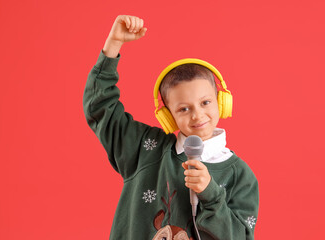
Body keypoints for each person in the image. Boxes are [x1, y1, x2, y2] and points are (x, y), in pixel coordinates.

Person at [83, 14, 259, 240]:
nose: (197, 115)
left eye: (205, 102)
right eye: (184, 109)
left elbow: (241, 236)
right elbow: (100, 107)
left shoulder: (240, 176)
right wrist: (113, 44)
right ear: (167, 116)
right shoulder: (146, 149)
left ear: (221, 102)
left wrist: (211, 194)